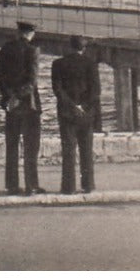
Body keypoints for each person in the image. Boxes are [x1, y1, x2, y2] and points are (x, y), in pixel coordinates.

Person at [0, 21, 44, 196]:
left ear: (18, 31)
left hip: (11, 105)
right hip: (28, 105)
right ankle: (31, 185)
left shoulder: (6, 49)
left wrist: (9, 95)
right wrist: (18, 96)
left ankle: (12, 186)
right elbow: (31, 82)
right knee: (31, 146)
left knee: (12, 145)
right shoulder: (33, 50)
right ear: (31, 34)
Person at [51, 35, 101, 194]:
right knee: (86, 149)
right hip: (86, 114)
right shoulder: (91, 64)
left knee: (68, 151)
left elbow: (58, 90)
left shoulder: (58, 64)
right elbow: (95, 91)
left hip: (67, 113)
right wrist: (83, 106)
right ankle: (88, 185)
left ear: (69, 46)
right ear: (83, 48)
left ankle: (69, 187)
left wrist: (72, 106)